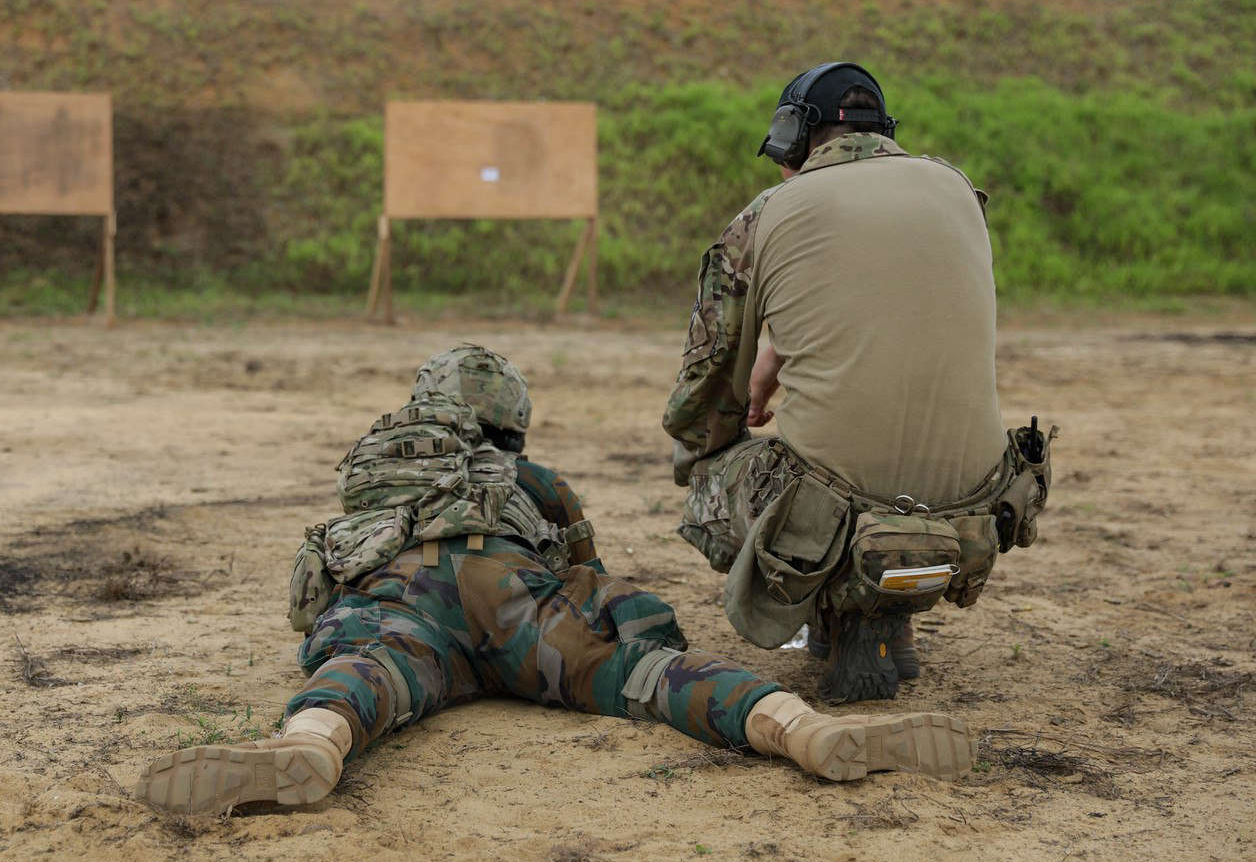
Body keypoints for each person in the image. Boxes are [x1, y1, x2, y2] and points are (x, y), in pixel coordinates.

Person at [135, 344, 974, 816]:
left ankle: (308, 745)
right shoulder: (530, 482)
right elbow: (587, 574)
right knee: (642, 674)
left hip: (403, 596)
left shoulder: (377, 463)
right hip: (514, 602)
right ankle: (794, 725)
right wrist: (601, 624)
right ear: (511, 425)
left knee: (366, 668)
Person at [664, 62, 1054, 703]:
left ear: (793, 139)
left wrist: (706, 445)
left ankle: (843, 615)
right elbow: (887, 314)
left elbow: (706, 382)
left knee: (716, 462)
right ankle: (890, 617)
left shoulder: (768, 212)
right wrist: (779, 355)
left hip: (836, 514)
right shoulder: (958, 191)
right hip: (979, 506)